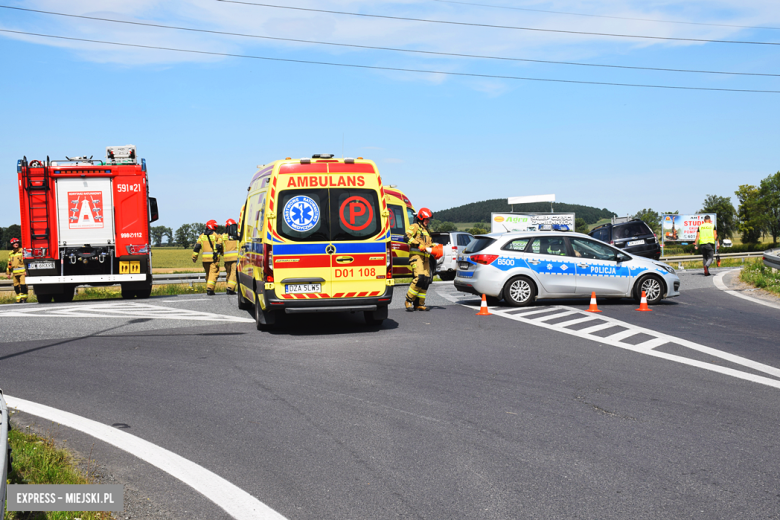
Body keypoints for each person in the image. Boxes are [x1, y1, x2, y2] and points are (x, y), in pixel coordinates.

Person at [405, 207, 434, 311]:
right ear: (421, 218)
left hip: (426, 258)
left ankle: (419, 304)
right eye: (426, 219)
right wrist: (418, 245)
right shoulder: (415, 226)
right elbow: (406, 237)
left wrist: (436, 248)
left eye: (428, 219)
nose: (428, 221)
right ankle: (408, 300)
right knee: (419, 278)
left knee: (426, 280)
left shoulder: (427, 231)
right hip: (416, 257)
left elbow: (429, 244)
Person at [192, 220, 223, 295]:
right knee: (213, 273)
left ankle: (209, 287)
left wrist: (194, 257)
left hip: (204, 259)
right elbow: (220, 246)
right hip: (214, 259)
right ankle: (210, 288)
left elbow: (197, 247)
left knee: (208, 274)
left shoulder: (201, 236)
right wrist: (222, 253)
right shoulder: (217, 236)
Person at [6, 238, 28, 303]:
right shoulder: (11, 253)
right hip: (15, 273)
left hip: (22, 273)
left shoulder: (22, 251)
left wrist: (26, 271)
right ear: (12, 245)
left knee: (23, 286)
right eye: (14, 243)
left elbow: (26, 261)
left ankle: (23, 299)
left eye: (17, 243)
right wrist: (8, 273)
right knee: (16, 286)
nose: (16, 244)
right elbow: (9, 263)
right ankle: (18, 299)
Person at [222, 218, 239, 295]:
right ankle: (230, 288)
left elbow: (219, 246)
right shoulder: (237, 235)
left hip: (226, 258)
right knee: (233, 273)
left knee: (228, 273)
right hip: (235, 258)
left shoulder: (222, 236)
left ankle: (228, 286)